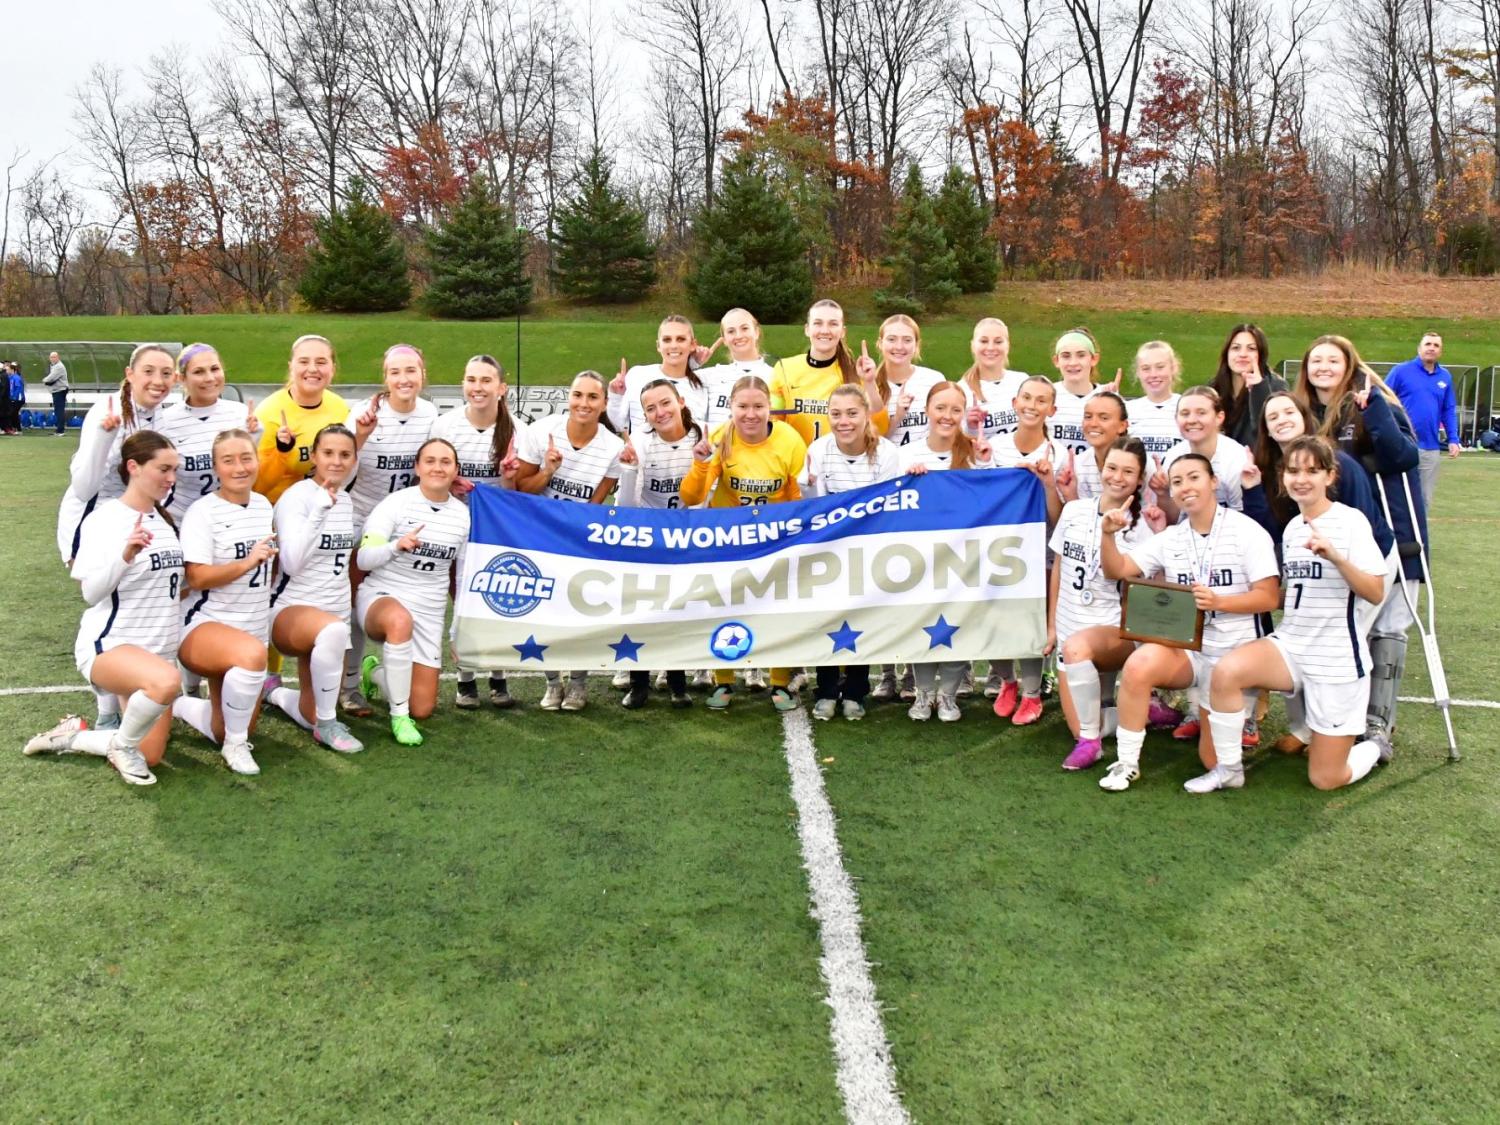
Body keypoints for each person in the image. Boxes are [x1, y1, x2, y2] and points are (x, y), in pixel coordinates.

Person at [1197, 436, 1388, 792]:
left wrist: (1336, 558)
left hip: (1335, 657)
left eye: (1312, 471)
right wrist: (1229, 596)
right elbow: (1298, 594)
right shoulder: (1292, 528)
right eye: (1293, 470)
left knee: (1326, 778)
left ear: (1330, 476)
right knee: (1227, 671)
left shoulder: (1351, 522)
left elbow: (1375, 591)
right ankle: (1228, 769)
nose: (1301, 479)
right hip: (1292, 644)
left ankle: (1374, 747)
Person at [1096, 453, 1281, 792]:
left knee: (1212, 761)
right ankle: (1126, 762)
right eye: (1177, 481)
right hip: (1189, 651)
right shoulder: (1172, 537)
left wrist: (1219, 601)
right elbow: (1117, 570)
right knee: (1139, 664)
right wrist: (1107, 535)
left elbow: (1270, 597)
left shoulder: (1246, 531)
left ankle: (1237, 715)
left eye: (1193, 477)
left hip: (1234, 656)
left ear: (1213, 482)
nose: (1185, 487)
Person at [1292, 334, 1424, 760]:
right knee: (1343, 632)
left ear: (1350, 365)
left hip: (1392, 538)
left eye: (1333, 360)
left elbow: (1403, 457)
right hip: (1334, 546)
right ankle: (1330, 722)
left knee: (1389, 627)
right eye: (1316, 361)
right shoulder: (1305, 415)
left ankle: (1377, 726)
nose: (1324, 368)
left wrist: (1378, 410)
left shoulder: (1373, 404)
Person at [25, 432, 183, 786]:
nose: (171, 478)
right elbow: (92, 593)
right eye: (163, 468)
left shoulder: (165, 521)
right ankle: (122, 745)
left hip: (155, 653)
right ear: (134, 467)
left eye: (175, 469)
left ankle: (71, 736)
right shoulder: (105, 520)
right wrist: (124, 556)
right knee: (166, 683)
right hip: (110, 647)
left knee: (152, 755)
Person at [680, 374, 807, 712]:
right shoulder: (721, 438)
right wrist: (700, 463)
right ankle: (724, 682)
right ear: (731, 407)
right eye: (742, 406)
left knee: (778, 607)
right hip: (729, 541)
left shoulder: (790, 441)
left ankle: (780, 683)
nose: (750, 414)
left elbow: (801, 498)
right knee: (726, 607)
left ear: (770, 408)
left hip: (775, 541)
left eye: (758, 406)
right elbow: (691, 496)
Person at [514, 371, 625, 712]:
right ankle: (551, 682)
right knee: (542, 609)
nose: (584, 403)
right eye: (578, 395)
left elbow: (596, 505)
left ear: (604, 403)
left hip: (579, 539)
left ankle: (577, 682)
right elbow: (520, 489)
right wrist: (547, 471)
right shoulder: (541, 431)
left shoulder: (613, 447)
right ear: (569, 397)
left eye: (593, 397)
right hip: (538, 534)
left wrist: (578, 538)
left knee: (581, 607)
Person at [1052, 437, 1164, 770]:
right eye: (1112, 467)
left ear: (1140, 480)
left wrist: (1158, 534)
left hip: (1116, 632)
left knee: (1088, 734)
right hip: (1071, 630)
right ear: (1102, 468)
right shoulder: (1073, 511)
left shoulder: (1142, 526)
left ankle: (1093, 745)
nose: (1117, 477)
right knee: (1083, 726)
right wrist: (1049, 626)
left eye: (1128, 472)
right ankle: (1142, 709)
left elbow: (1153, 592)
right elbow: (1059, 569)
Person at [342, 344, 439, 709]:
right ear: (385, 377)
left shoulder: (430, 414)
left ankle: (392, 673)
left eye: (410, 370)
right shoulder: (363, 414)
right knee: (353, 604)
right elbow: (340, 474)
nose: (403, 379)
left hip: (408, 526)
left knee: (411, 601)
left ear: (422, 374)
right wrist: (361, 438)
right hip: (362, 520)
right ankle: (350, 685)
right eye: (395, 372)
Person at [357, 438, 471, 745]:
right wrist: (395, 547)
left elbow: (460, 578)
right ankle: (398, 717)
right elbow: (363, 558)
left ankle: (374, 673)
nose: (437, 467)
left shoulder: (462, 516)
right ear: (417, 467)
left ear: (455, 470)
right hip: (382, 597)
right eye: (430, 460)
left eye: (445, 461)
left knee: (423, 707)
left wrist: (457, 632)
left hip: (429, 610)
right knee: (399, 621)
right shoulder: (396, 503)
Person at [175, 430, 275, 776]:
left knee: (227, 726)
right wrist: (247, 562)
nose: (239, 467)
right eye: (228, 460)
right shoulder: (202, 512)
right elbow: (197, 578)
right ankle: (235, 748)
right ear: (216, 467)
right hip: (207, 625)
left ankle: (175, 704)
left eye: (246, 458)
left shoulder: (264, 505)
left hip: (252, 629)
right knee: (249, 659)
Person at [896, 382, 996, 721]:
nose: (947, 416)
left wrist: (985, 466)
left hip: (964, 562)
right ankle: (923, 693)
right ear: (927, 410)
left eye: (955, 409)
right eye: (941, 407)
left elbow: (996, 501)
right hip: (922, 559)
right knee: (923, 623)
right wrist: (908, 480)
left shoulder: (977, 452)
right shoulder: (907, 454)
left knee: (959, 623)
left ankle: (949, 695)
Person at [804, 385, 902, 721]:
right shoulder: (818, 450)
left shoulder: (887, 453)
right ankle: (827, 690)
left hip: (869, 550)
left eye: (851, 413)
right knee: (826, 617)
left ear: (865, 415)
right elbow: (813, 509)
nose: (843, 421)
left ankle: (856, 691)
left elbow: (890, 506)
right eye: (836, 414)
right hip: (829, 552)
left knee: (861, 618)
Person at [264, 423, 364, 754]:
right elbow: (291, 562)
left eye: (345, 455)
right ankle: (328, 726)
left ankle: (275, 694)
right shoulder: (298, 498)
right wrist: (319, 510)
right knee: (324, 712)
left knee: (310, 711)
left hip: (330, 617)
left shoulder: (347, 500)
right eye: (328, 453)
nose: (336, 461)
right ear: (315, 457)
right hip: (291, 612)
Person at [431, 354, 521, 711]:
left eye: (486, 380)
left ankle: (498, 676)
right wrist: (447, 483)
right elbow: (428, 474)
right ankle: (465, 678)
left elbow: (517, 498)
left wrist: (509, 477)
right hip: (452, 527)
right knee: (462, 602)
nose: (478, 387)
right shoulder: (445, 425)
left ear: (501, 388)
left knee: (494, 600)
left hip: (494, 531)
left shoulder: (518, 431)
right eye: (471, 379)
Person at [614, 378, 706, 709]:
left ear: (681, 401)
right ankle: (638, 682)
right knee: (642, 606)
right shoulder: (640, 441)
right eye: (650, 408)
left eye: (665, 403)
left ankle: (678, 680)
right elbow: (626, 508)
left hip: (689, 533)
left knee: (681, 606)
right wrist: (628, 469)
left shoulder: (703, 435)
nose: (659, 412)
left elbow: (707, 497)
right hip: (647, 534)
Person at [56, 343, 178, 564]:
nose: (158, 381)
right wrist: (104, 438)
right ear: (130, 374)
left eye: (166, 373)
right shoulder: (108, 411)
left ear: (175, 379)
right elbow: (84, 489)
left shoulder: (162, 416)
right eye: (148, 371)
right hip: (92, 519)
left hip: (135, 519)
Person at [988, 375, 1065, 721]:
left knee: (1032, 621)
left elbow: (1058, 517)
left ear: (1052, 409)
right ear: (1015, 403)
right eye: (1027, 398)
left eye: (1041, 400)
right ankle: (1008, 681)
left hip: (1039, 553)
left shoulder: (1059, 454)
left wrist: (1047, 484)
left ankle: (1032, 693)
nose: (1032, 406)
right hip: (996, 551)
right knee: (991, 619)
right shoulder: (993, 447)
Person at [156, 343, 257, 523]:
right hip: (181, 521)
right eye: (199, 372)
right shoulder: (166, 422)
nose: (209, 378)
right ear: (181, 378)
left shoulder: (241, 414)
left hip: (232, 521)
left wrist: (257, 438)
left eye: (215, 369)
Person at [769, 299, 887, 445]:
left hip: (839, 464)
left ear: (842, 331)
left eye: (833, 324)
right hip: (797, 463)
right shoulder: (784, 369)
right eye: (818, 323)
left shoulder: (857, 373)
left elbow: (880, 428)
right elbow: (772, 421)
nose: (825, 330)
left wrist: (869, 382)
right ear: (807, 329)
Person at [253, 335, 350, 504]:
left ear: (332, 369)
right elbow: (256, 487)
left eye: (321, 362)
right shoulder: (268, 413)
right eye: (304, 362)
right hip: (278, 510)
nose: (312, 369)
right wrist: (282, 452)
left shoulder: (340, 408)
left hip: (327, 505)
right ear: (291, 367)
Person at [1385, 331, 1461, 508]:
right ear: (1419, 348)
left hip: (1430, 447)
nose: (1431, 348)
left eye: (1436, 346)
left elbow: (1448, 410)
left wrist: (1453, 439)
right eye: (1428, 344)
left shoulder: (1445, 377)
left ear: (1440, 352)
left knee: (1423, 500)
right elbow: (1383, 399)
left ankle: (1419, 536)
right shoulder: (1401, 371)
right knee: (1398, 497)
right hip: (1402, 444)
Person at [607, 315, 711, 434]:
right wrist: (615, 396)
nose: (673, 345)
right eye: (667, 340)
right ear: (658, 345)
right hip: (639, 451)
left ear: (693, 344)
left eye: (681, 339)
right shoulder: (638, 375)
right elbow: (618, 424)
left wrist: (693, 364)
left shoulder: (701, 387)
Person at [1156, 385, 1250, 517]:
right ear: (1176, 419)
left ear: (1219, 417)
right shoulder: (1173, 457)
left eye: (1201, 413)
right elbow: (1172, 519)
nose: (1192, 420)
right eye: (1185, 413)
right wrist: (1163, 493)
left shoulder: (1235, 459)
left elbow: (1242, 516)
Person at [1209, 323, 1287, 447]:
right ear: (1227, 353)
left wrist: (1259, 390)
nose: (1243, 354)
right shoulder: (1213, 388)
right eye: (1236, 348)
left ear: (1261, 354)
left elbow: (1271, 433)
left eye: (1251, 348)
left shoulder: (1276, 386)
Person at [956, 317, 1027, 443]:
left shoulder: (1022, 381)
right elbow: (955, 442)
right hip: (982, 461)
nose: (990, 347)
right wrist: (970, 427)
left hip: (1019, 461)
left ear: (1008, 345)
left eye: (998, 342)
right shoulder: (961, 390)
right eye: (983, 341)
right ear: (973, 345)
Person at [1050, 328, 1119, 457]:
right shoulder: (1047, 395)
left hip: (1095, 475)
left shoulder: (1108, 397)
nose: (1073, 362)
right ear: (1056, 361)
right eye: (1066, 356)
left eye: (1081, 355)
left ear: (1094, 359)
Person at [1056, 390, 1131, 502]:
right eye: (1088, 417)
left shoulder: (1139, 464)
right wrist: (1070, 496)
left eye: (1104, 418)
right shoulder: (1076, 466)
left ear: (1122, 426)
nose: (1093, 424)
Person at [1126, 340, 1183, 461]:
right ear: (1138, 372)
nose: (1153, 374)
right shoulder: (1127, 410)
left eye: (1160, 367)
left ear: (1173, 368)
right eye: (1146, 368)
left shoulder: (1186, 406)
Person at [43, 350, 69, 435]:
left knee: (59, 410)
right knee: (58, 410)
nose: (52, 359)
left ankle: (60, 431)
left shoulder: (59, 366)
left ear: (58, 357)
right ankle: (59, 429)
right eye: (51, 357)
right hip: (57, 390)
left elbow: (51, 378)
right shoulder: (54, 366)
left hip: (60, 390)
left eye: (54, 357)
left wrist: (44, 380)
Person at [3, 361, 24, 434]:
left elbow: (18, 389)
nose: (6, 371)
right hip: (13, 399)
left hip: (18, 399)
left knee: (13, 413)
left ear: (12, 370)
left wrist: (13, 397)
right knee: (12, 413)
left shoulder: (16, 378)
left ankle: (18, 429)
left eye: (8, 370)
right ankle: (14, 428)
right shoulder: (10, 377)